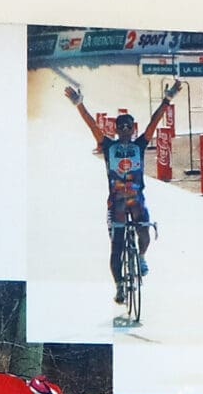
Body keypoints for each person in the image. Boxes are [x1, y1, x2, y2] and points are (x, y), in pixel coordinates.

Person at [60, 78, 178, 312]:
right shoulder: (108, 146)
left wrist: (167, 99)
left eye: (128, 127)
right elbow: (92, 125)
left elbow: (154, 122)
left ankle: (141, 257)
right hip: (116, 204)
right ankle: (120, 286)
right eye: (120, 127)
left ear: (133, 129)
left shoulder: (140, 145)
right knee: (116, 247)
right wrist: (79, 104)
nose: (124, 130)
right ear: (115, 130)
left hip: (136, 200)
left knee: (143, 230)